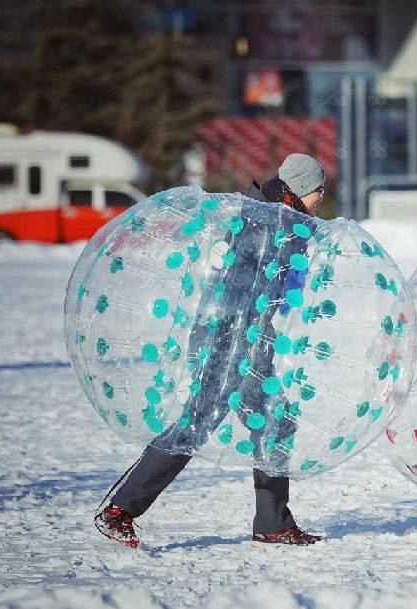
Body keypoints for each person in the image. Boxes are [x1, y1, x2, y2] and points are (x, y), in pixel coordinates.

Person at [94, 153, 327, 548]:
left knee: (272, 424)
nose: (322, 199)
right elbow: (237, 284)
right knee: (196, 427)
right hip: (234, 341)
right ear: (303, 188)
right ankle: (120, 510)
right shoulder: (267, 222)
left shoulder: (278, 219)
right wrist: (228, 342)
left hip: (250, 340)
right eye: (319, 191)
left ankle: (272, 521)